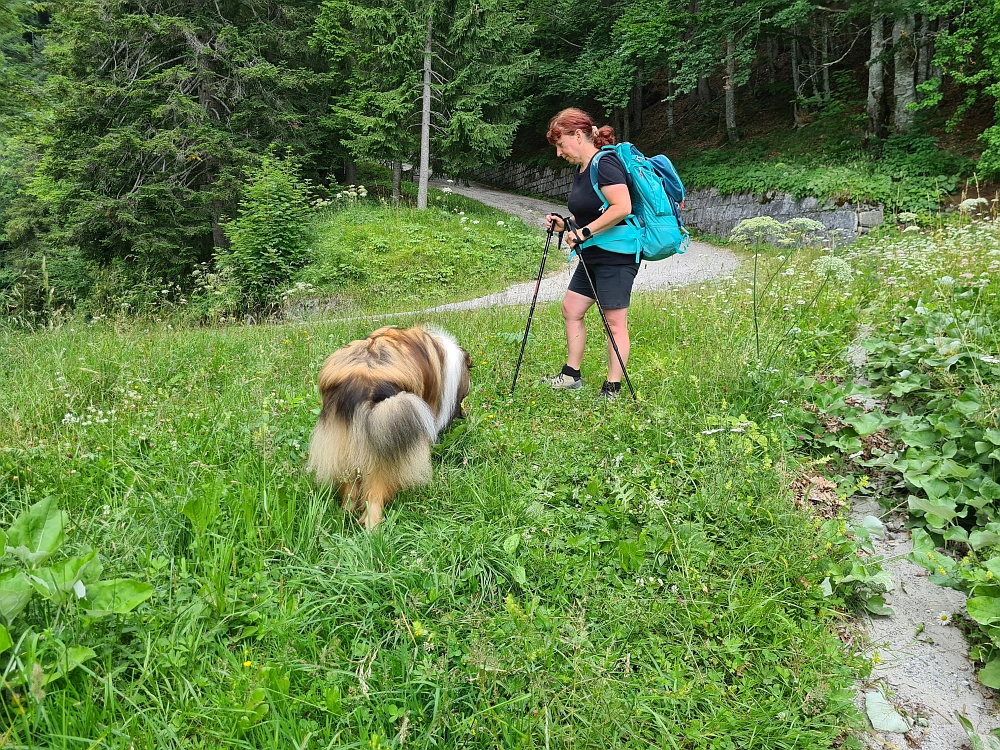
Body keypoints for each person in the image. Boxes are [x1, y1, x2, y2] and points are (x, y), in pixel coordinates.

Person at [542, 108, 636, 402]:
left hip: (617, 255)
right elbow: (591, 213)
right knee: (571, 309)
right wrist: (566, 225)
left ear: (578, 135)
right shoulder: (583, 169)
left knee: (614, 322)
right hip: (593, 253)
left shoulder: (605, 163)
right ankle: (571, 375)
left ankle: (612, 388)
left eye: (561, 144)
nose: (559, 153)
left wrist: (582, 233)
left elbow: (622, 208)